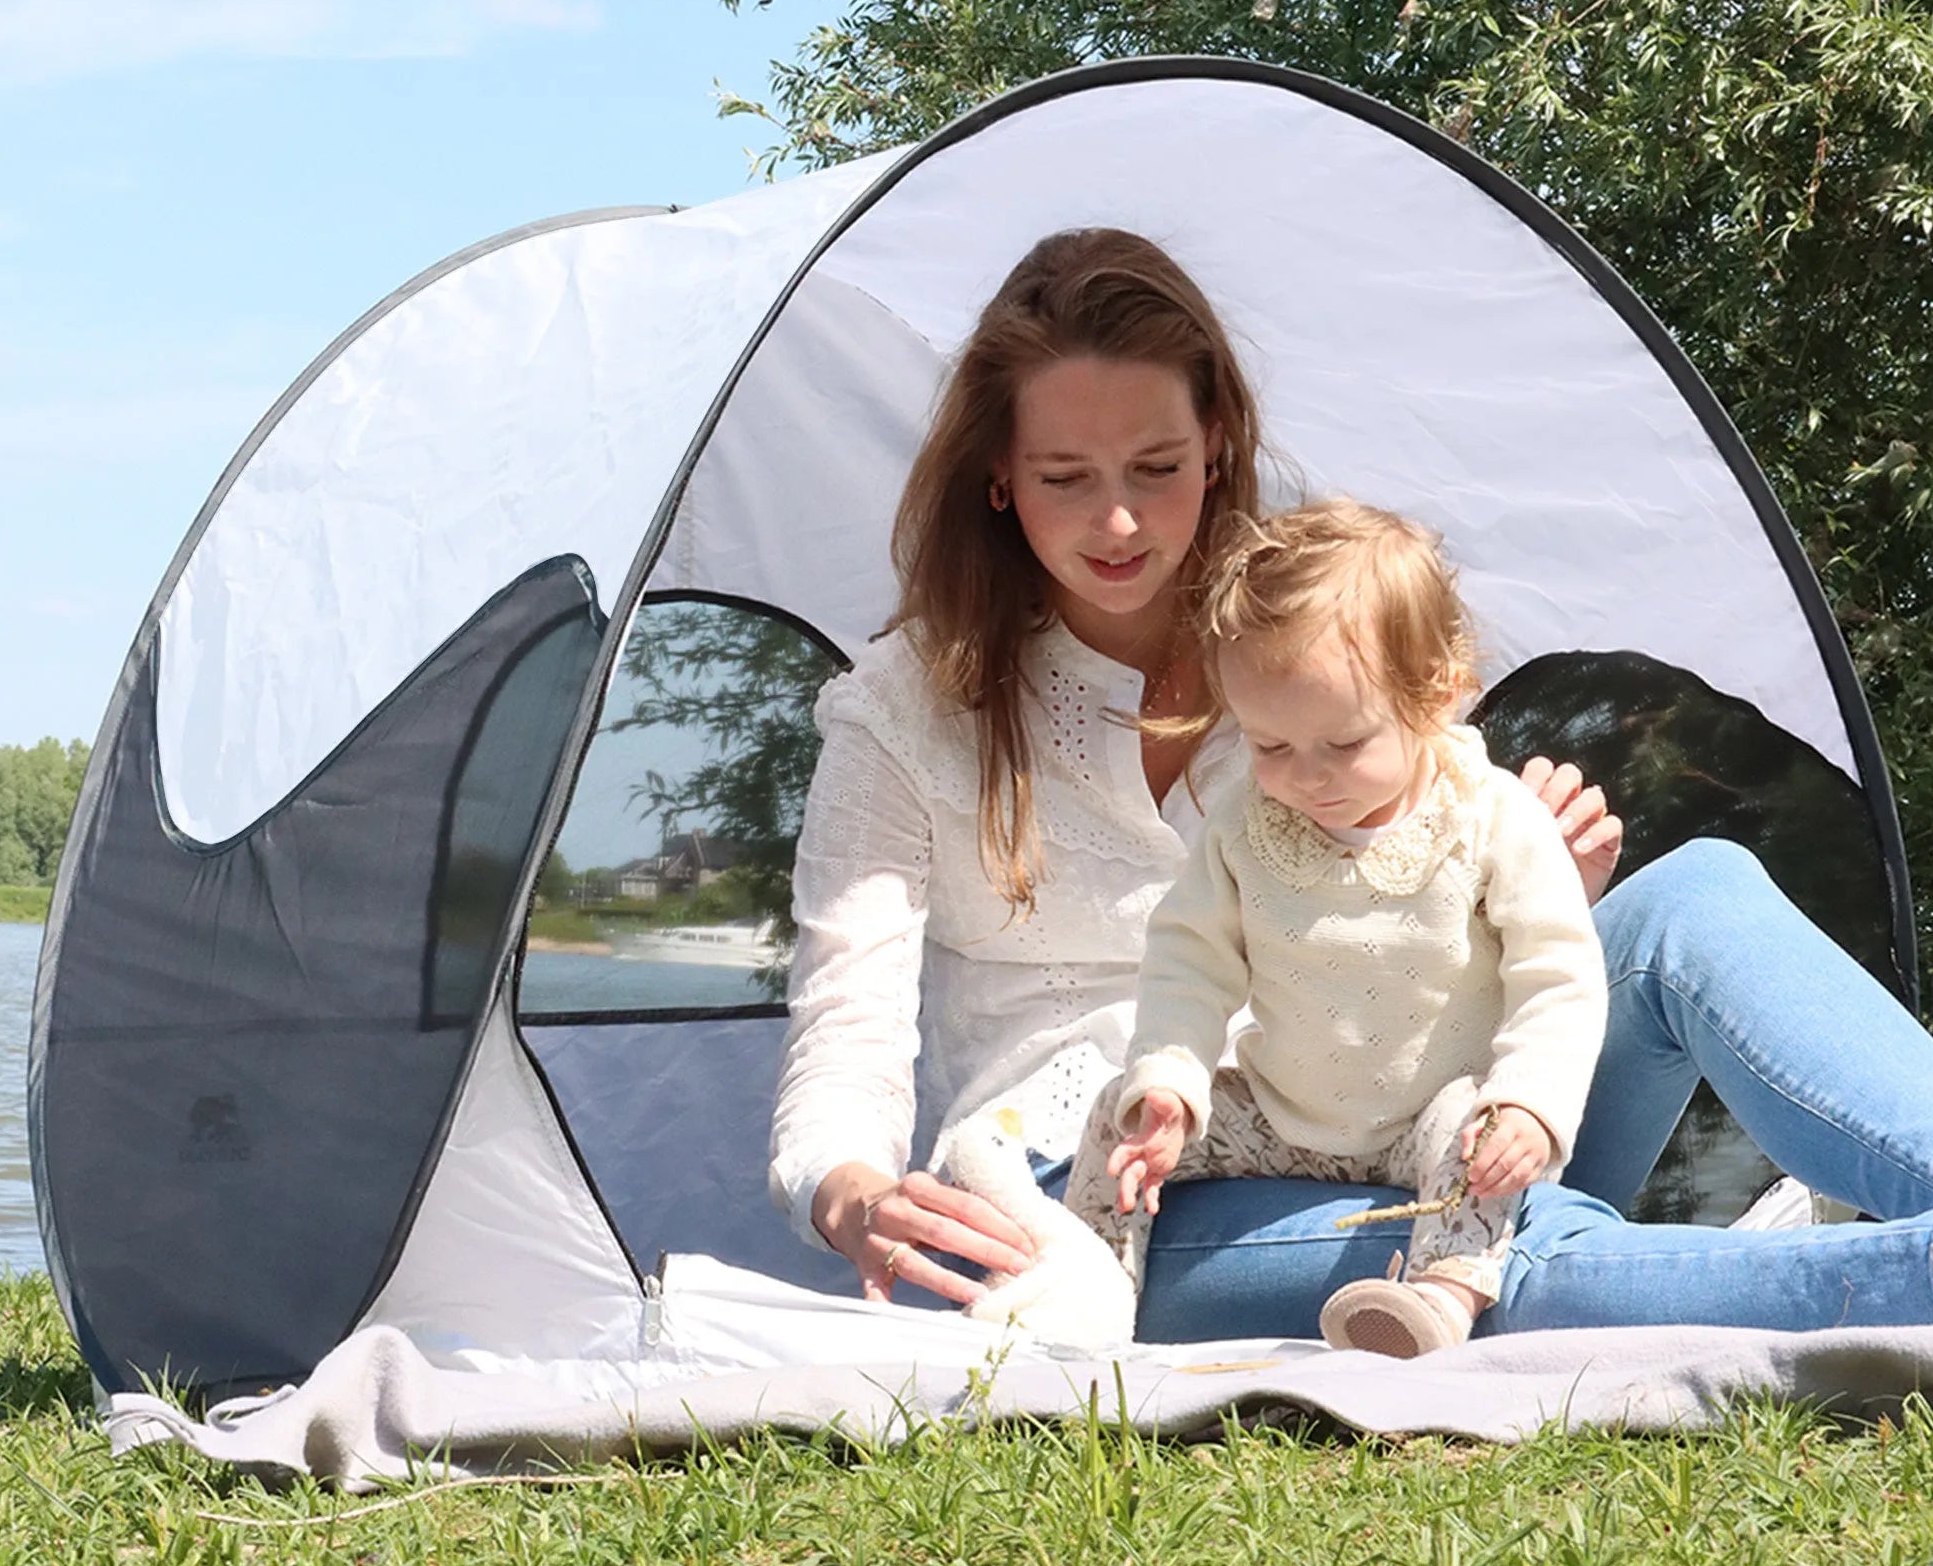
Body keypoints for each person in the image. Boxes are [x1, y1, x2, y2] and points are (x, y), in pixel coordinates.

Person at [768, 224, 1933, 1340]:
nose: (1116, 518)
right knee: (1473, 1250)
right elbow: (848, 1024)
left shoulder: (1312, 631)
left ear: (1217, 440)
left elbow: (1429, 910)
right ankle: (1895, 1279)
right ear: (996, 477)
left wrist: (1534, 892)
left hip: (1413, 1104)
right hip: (1114, 1187)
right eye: (1064, 476)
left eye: (1156, 466)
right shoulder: (901, 713)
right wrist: (851, 1190)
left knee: (1696, 901)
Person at [1064, 502, 1608, 1356]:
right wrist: (1169, 1082)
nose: (1306, 779)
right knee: (1116, 1113)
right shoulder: (1246, 823)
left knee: (1476, 1134)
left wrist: (1530, 1108)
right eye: (1269, 746)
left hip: (1424, 1120)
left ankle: (1440, 1297)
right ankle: (1084, 1288)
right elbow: (1189, 959)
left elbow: (1559, 975)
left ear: (1434, 693)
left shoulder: (1490, 815)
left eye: (1345, 743)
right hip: (1282, 1118)